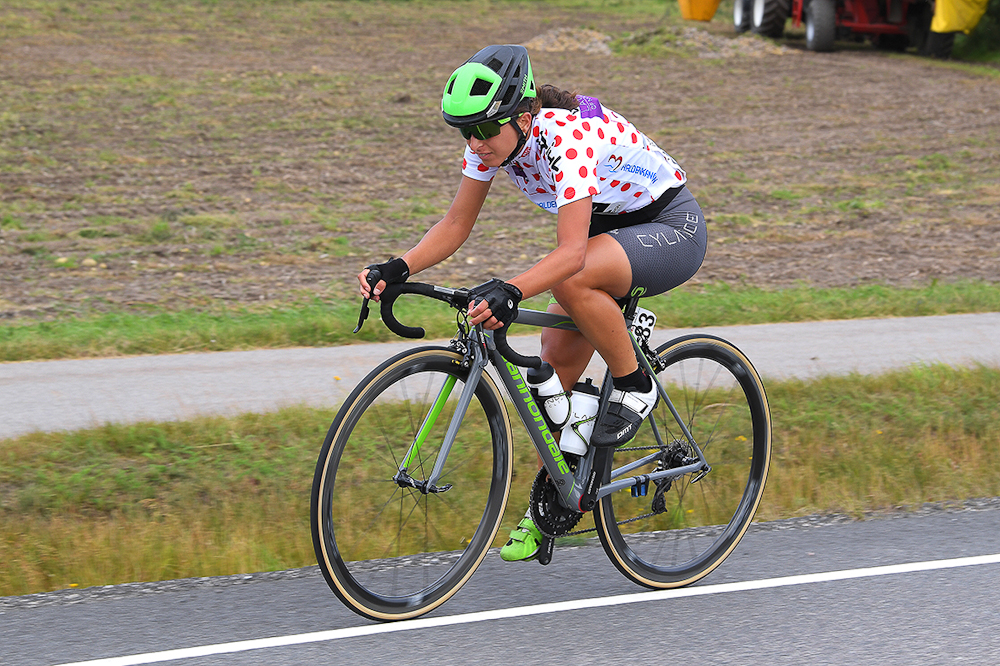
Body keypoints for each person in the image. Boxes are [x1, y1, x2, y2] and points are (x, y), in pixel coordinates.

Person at [359, 44, 707, 562]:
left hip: (668, 226)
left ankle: (636, 385)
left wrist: (513, 289)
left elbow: (569, 254)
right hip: (605, 232)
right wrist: (399, 267)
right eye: (465, 133)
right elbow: (456, 224)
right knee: (554, 383)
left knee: (571, 280)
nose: (474, 144)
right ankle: (552, 507)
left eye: (482, 131)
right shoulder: (492, 141)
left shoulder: (565, 137)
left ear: (522, 118)